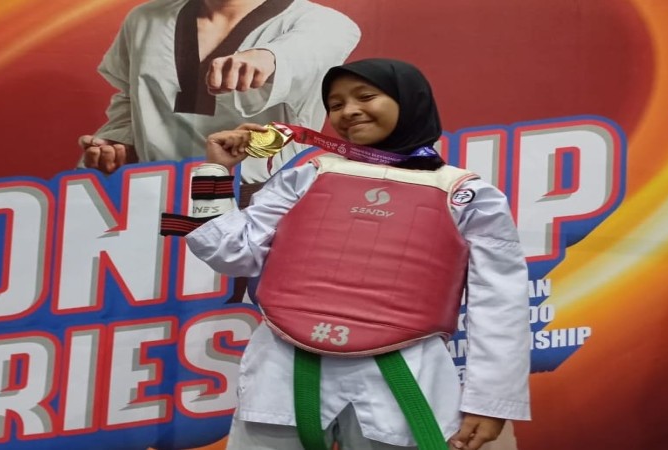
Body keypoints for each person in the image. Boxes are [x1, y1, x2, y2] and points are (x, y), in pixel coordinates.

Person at [164, 58, 531, 449]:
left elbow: (500, 302)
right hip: (282, 376)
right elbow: (232, 253)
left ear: (410, 100)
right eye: (335, 105)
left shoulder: (467, 195)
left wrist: (490, 401)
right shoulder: (306, 176)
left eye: (365, 96)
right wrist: (216, 173)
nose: (348, 111)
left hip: (405, 382)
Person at [78, 0, 360, 186]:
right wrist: (119, 143)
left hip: (262, 203)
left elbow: (303, 53)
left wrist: (268, 57)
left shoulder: (324, 24)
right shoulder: (145, 19)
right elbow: (132, 97)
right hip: (158, 197)